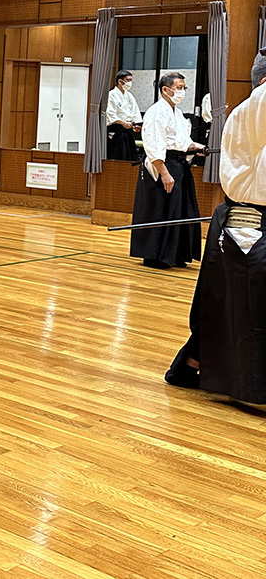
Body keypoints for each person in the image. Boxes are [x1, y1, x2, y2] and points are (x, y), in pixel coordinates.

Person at [165, 51, 266, 400]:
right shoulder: (260, 103)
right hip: (254, 223)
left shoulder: (243, 109)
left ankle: (188, 366)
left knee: (222, 303)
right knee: (236, 304)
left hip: (238, 219)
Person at [130, 72, 205, 269]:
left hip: (179, 164)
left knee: (181, 210)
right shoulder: (157, 112)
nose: (182, 92)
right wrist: (164, 173)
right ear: (166, 89)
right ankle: (155, 255)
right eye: (179, 87)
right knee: (160, 209)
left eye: (183, 88)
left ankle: (177, 253)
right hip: (162, 165)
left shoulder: (177, 112)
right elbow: (154, 145)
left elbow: (181, 142)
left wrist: (196, 148)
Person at [106, 70, 142, 161]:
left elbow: (135, 112)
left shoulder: (129, 95)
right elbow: (110, 114)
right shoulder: (112, 95)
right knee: (118, 156)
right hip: (117, 130)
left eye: (131, 80)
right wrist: (122, 123)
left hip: (128, 130)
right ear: (120, 81)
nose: (130, 82)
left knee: (130, 157)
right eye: (128, 80)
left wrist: (135, 124)